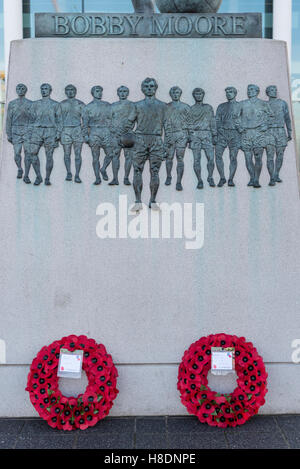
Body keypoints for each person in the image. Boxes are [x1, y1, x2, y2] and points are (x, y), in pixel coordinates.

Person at [126, 77, 167, 211]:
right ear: (143, 89)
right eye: (147, 86)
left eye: (151, 86)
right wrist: (127, 141)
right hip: (140, 139)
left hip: (156, 139)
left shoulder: (163, 106)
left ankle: (153, 200)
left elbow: (168, 126)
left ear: (155, 88)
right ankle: (138, 201)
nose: (149, 88)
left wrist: (167, 144)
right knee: (137, 170)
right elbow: (129, 124)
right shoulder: (137, 105)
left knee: (155, 171)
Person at [237, 84, 274, 188]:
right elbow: (236, 117)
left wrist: (266, 125)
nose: (249, 91)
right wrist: (239, 127)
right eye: (248, 90)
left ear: (257, 91)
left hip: (258, 133)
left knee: (258, 157)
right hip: (246, 133)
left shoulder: (263, 103)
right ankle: (252, 177)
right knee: (248, 158)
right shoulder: (242, 103)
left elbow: (271, 116)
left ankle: (256, 179)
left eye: (252, 89)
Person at [100, 86, 135, 186]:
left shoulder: (132, 105)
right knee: (115, 155)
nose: (122, 93)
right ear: (117, 93)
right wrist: (113, 129)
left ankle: (126, 178)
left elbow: (133, 118)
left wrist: (128, 128)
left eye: (124, 91)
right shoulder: (113, 106)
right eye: (120, 91)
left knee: (128, 157)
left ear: (127, 93)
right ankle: (115, 178)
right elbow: (108, 119)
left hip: (127, 134)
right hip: (115, 134)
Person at [29, 83, 62, 186]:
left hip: (50, 131)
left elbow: (59, 120)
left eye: (46, 89)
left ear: (50, 90)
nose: (44, 90)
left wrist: (58, 132)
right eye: (42, 89)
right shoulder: (35, 104)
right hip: (37, 130)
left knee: (49, 155)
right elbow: (30, 119)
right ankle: (38, 176)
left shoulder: (55, 104)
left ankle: (47, 178)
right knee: (33, 153)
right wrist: (30, 132)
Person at [82, 86, 113, 185]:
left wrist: (112, 132)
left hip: (106, 131)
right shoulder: (87, 107)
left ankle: (103, 168)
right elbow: (85, 124)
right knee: (95, 157)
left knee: (110, 154)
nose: (99, 93)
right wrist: (85, 135)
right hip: (94, 132)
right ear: (93, 93)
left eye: (101, 91)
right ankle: (97, 178)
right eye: (97, 91)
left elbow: (113, 119)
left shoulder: (108, 105)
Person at [187, 88, 217, 189]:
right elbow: (189, 123)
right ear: (194, 95)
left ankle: (210, 177)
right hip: (195, 135)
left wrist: (214, 134)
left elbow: (212, 121)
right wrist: (190, 136)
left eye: (200, 94)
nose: (198, 96)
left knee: (211, 158)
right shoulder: (190, 109)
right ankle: (199, 180)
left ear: (203, 95)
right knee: (196, 159)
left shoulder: (208, 107)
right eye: (196, 94)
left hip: (207, 134)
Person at [164, 86, 190, 191]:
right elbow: (164, 121)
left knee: (180, 158)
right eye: (173, 93)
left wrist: (189, 136)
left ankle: (179, 182)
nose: (175, 94)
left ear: (180, 94)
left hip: (181, 134)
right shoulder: (166, 106)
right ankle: (169, 176)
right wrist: (167, 134)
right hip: (170, 134)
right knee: (169, 157)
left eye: (177, 92)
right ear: (170, 94)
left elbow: (190, 121)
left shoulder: (186, 107)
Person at [6, 83, 32, 183]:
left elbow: (33, 118)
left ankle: (26, 174)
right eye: (18, 88)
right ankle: (20, 168)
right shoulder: (12, 103)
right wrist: (9, 133)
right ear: (16, 90)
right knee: (17, 153)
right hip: (15, 130)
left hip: (27, 130)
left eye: (22, 88)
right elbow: (9, 119)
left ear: (25, 90)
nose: (20, 90)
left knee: (27, 153)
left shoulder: (30, 103)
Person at [215, 86, 241, 187]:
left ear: (235, 93)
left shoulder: (240, 105)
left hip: (234, 133)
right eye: (227, 92)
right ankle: (222, 177)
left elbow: (243, 119)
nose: (228, 93)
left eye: (231, 92)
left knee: (233, 156)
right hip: (222, 133)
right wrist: (218, 130)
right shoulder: (221, 106)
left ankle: (231, 178)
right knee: (218, 155)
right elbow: (217, 119)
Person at [266, 85, 292, 183]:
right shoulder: (264, 104)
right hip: (269, 131)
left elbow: (287, 118)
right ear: (267, 92)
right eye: (272, 90)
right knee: (270, 155)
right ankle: (271, 177)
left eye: (275, 90)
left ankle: (276, 174)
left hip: (281, 131)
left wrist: (289, 132)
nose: (274, 91)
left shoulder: (282, 103)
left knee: (280, 154)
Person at [60, 84, 85, 183]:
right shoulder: (61, 104)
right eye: (68, 90)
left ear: (75, 91)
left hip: (77, 129)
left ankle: (77, 175)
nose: (70, 92)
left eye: (72, 90)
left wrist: (83, 130)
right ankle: (69, 172)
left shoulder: (80, 104)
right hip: (66, 130)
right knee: (67, 154)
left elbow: (86, 118)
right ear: (66, 92)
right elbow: (58, 118)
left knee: (78, 154)